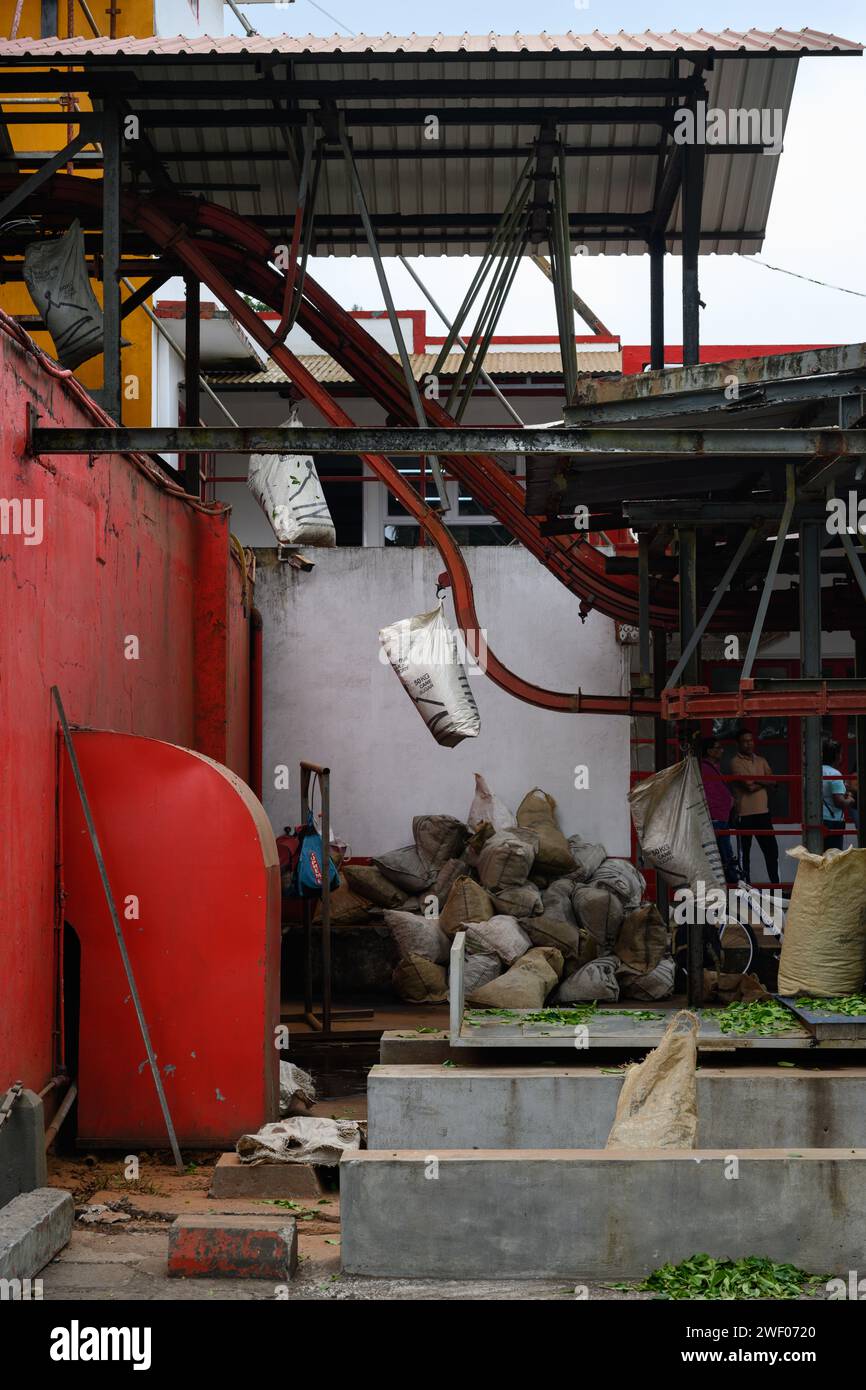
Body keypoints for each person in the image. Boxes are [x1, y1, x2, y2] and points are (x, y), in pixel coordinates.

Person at [730, 727, 780, 885]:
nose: (748, 744)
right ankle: (746, 886)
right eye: (744, 741)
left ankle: (776, 886)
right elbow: (748, 786)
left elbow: (775, 782)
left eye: (750, 740)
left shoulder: (761, 760)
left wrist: (758, 781)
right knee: (745, 853)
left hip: (763, 813)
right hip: (744, 814)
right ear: (738, 744)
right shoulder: (735, 762)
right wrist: (765, 782)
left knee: (772, 852)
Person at [699, 736, 739, 885]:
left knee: (723, 853)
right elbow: (711, 794)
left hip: (720, 816)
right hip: (716, 817)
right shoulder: (705, 768)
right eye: (718, 748)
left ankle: (726, 883)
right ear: (709, 751)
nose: (721, 751)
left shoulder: (712, 768)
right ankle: (728, 883)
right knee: (722, 854)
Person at [822, 738, 854, 851]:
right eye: (840, 753)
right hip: (833, 822)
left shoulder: (814, 771)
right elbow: (839, 802)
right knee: (833, 858)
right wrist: (850, 799)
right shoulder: (835, 774)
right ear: (836, 756)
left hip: (817, 819)